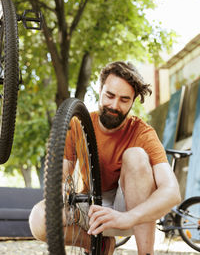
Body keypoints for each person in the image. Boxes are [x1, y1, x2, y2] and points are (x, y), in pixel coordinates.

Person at [29, 61, 181, 255]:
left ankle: (146, 252)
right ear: (99, 90)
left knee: (135, 155)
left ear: (133, 101)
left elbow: (172, 192)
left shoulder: (142, 132)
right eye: (109, 95)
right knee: (38, 218)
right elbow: (60, 179)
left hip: (129, 212)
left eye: (124, 100)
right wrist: (61, 194)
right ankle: (100, 245)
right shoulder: (77, 125)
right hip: (91, 208)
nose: (114, 105)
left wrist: (128, 217)